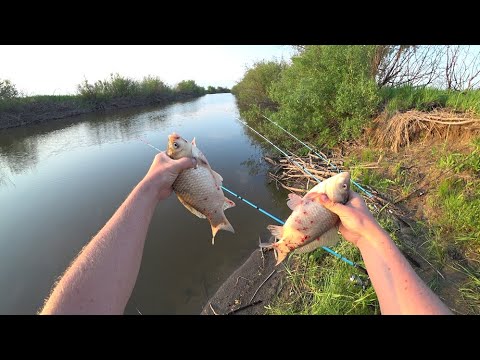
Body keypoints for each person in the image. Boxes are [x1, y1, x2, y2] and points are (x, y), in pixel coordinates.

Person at [39, 153, 452, 315]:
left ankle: (279, 244)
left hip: (306, 225)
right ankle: (279, 244)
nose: (341, 183)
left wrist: (148, 189)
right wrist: (367, 236)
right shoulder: (335, 204)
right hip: (314, 226)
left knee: (281, 238)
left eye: (341, 187)